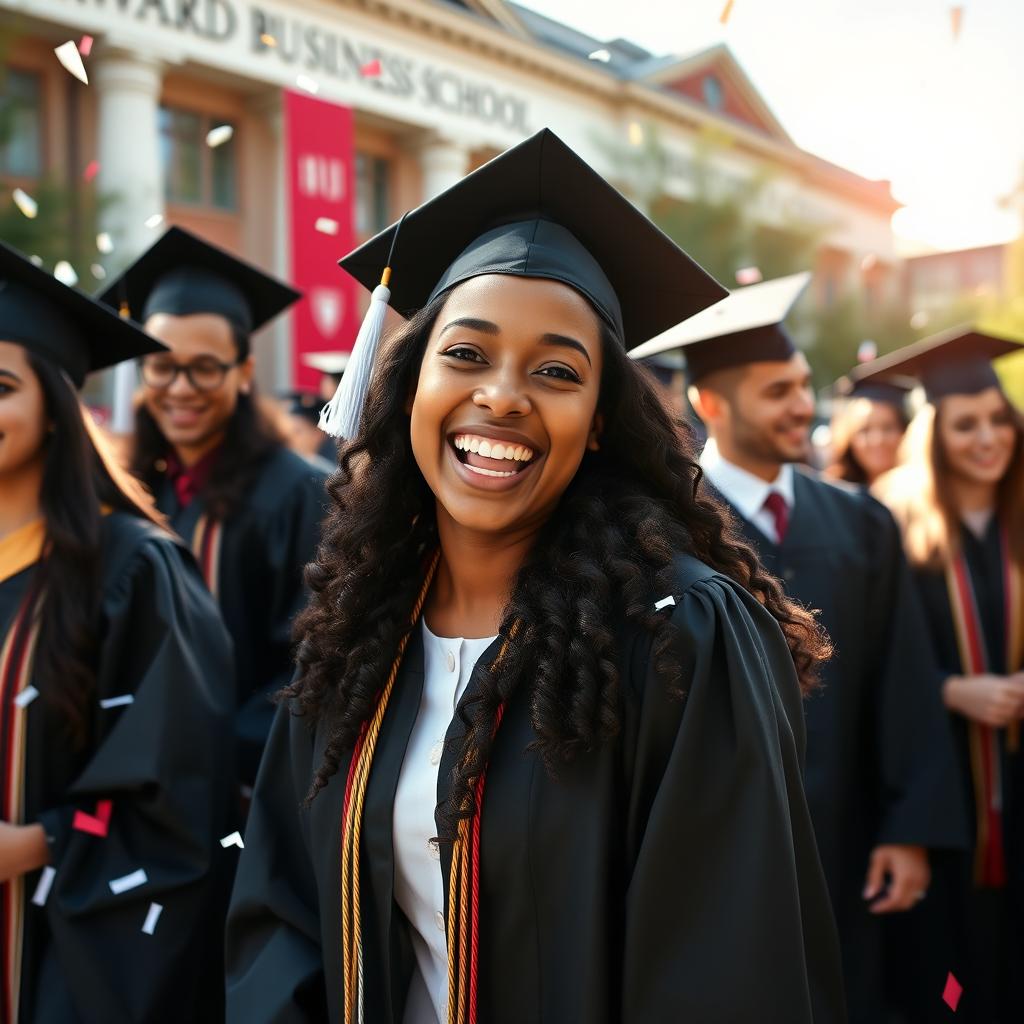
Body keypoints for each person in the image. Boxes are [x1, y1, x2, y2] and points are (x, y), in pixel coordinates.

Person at [225, 129, 846, 1024]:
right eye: (466, 354)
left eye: (557, 370)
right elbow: (278, 912)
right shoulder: (362, 631)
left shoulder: (682, 640)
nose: (503, 396)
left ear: (599, 420)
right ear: (411, 388)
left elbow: (725, 971)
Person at [634, 272, 968, 1024]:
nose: (800, 407)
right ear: (710, 403)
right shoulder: (666, 531)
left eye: (803, 386)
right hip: (719, 852)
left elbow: (903, 683)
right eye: (777, 390)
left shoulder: (858, 521)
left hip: (848, 841)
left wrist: (910, 829)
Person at [0, 240, 234, 1021]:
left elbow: (175, 784)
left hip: (54, 941)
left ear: (55, 411)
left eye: (0, 386)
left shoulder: (131, 571)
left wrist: (36, 842)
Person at [98, 227, 328, 789]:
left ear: (245, 373)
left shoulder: (299, 495)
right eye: (162, 365)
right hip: (132, 783)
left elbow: (312, 666)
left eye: (204, 367)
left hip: (236, 789)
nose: (180, 388)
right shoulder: (129, 491)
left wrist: (203, 754)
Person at [866, 328, 1024, 1024]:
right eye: (967, 425)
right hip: (939, 781)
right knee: (951, 972)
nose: (988, 438)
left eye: (999, 420)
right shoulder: (886, 522)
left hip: (1020, 778)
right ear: (934, 434)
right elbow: (865, 660)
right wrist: (951, 690)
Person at [825, 376, 910, 486]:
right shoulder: (835, 493)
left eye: (888, 428)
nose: (877, 440)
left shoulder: (923, 494)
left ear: (905, 431)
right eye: (865, 430)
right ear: (849, 437)